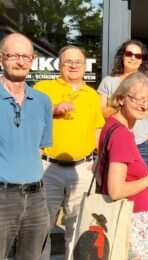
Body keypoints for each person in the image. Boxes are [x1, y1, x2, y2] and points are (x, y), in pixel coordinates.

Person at [34, 45, 105, 259]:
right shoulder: (43, 87)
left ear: (85, 66)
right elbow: (30, 118)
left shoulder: (92, 94)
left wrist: (98, 162)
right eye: (68, 62)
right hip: (48, 167)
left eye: (78, 62)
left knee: (79, 227)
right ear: (59, 64)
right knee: (41, 227)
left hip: (83, 168)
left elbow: (97, 129)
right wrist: (52, 109)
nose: (74, 65)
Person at [99, 72, 148, 259]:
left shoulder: (112, 125)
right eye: (138, 99)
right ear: (121, 99)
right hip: (129, 220)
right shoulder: (122, 135)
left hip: (126, 218)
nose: (145, 106)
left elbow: (99, 173)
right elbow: (116, 190)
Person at [0, 33, 52, 260]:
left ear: (32, 60)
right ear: (1, 58)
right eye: (13, 55)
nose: (20, 62)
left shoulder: (42, 101)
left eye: (26, 56)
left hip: (36, 199)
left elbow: (40, 148)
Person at [97, 39, 148, 165]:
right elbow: (100, 112)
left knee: (140, 182)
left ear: (142, 60)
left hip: (143, 143)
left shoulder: (147, 83)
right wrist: (125, 105)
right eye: (129, 54)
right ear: (122, 56)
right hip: (117, 140)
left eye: (138, 56)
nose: (133, 58)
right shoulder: (109, 81)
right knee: (116, 181)